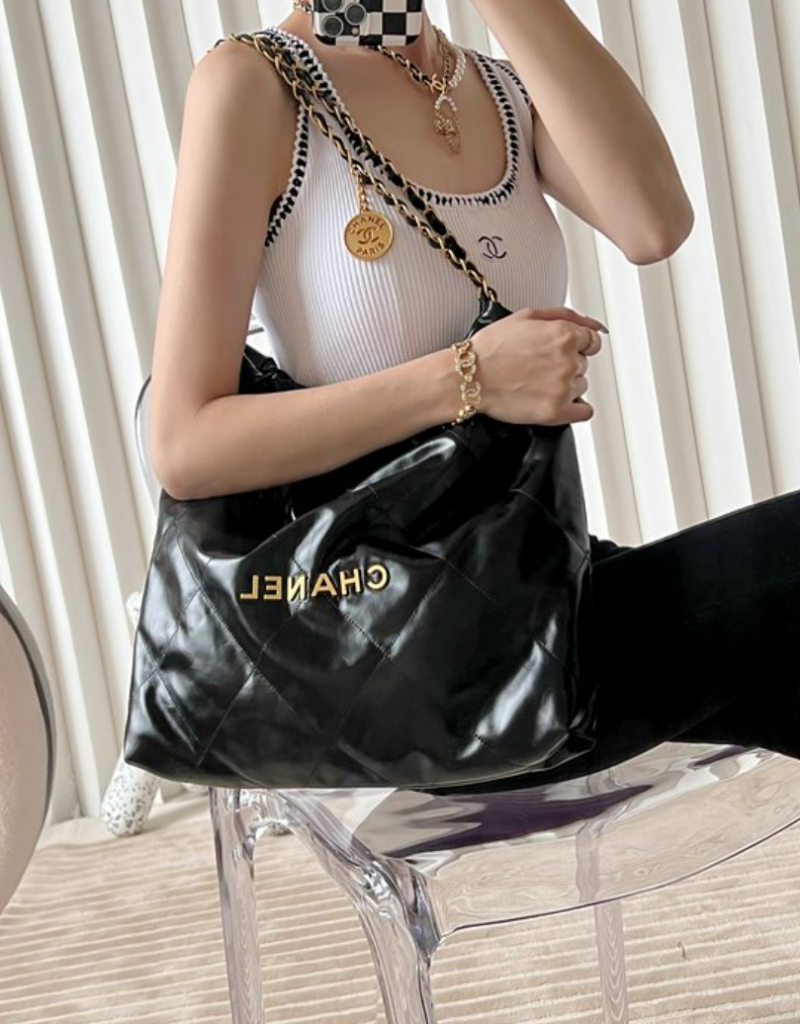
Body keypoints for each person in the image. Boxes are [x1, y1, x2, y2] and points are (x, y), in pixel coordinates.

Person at [146, 0, 800, 793]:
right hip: (405, 646)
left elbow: (653, 224)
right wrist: (470, 376)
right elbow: (185, 444)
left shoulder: (499, 88)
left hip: (531, 589)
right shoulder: (254, 84)